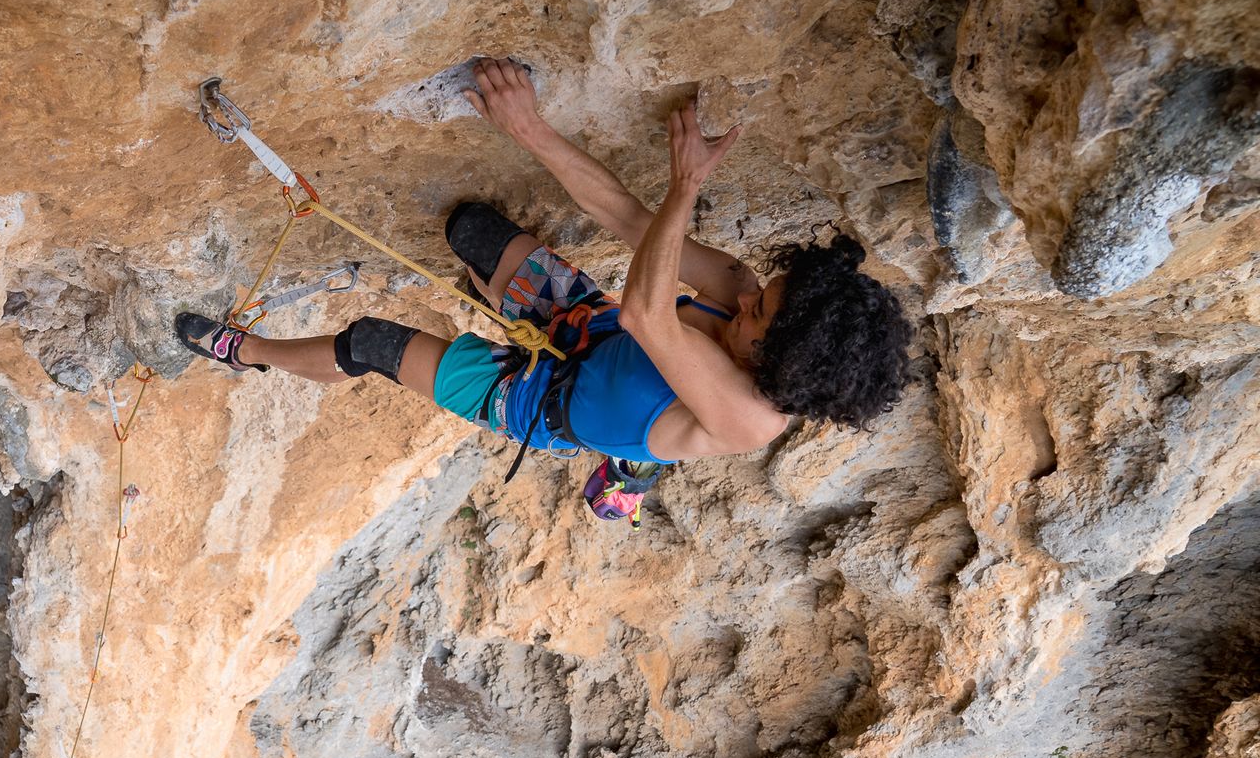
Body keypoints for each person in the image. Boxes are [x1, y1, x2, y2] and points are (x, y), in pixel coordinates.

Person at [175, 58, 911, 524]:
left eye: (758, 315)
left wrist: (687, 184)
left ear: (778, 365)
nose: (747, 295)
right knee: (474, 234)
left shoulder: (748, 418)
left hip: (542, 404)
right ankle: (632, 456)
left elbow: (655, 314)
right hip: (592, 328)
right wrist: (528, 127)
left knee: (372, 342)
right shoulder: (737, 292)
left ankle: (249, 351)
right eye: (764, 292)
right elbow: (624, 217)